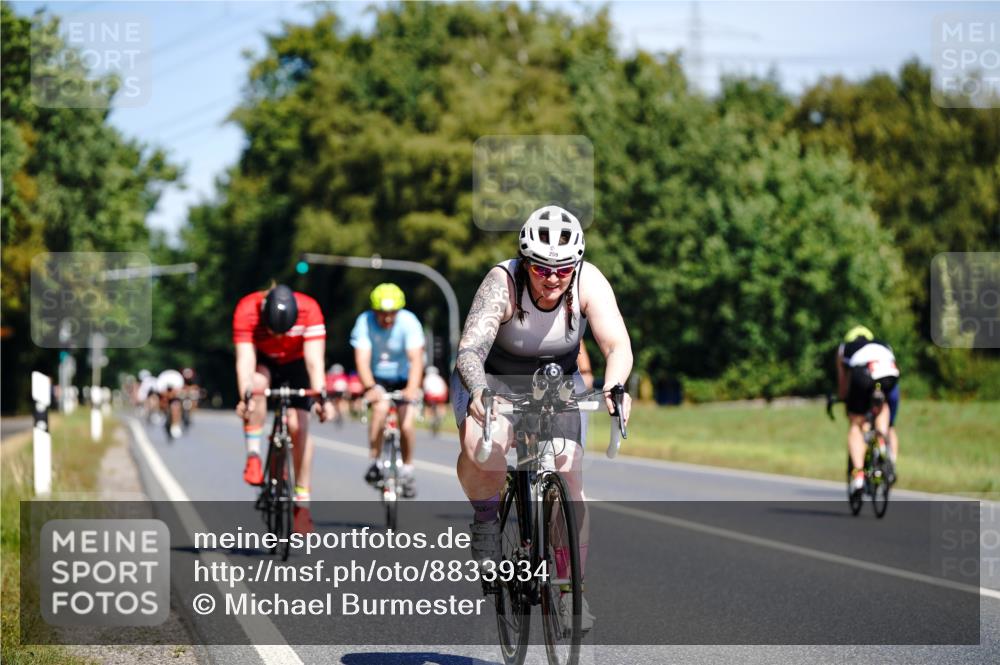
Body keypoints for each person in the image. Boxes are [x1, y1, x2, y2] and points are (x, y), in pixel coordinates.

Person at [453, 204, 633, 633]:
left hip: (556, 380)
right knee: (489, 450)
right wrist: (479, 391)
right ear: (524, 261)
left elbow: (616, 345)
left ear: (577, 264)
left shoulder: (589, 281)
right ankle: (486, 519)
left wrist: (614, 385)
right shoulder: (503, 282)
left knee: (569, 470)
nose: (552, 279)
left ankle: (571, 588)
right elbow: (469, 351)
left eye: (563, 269)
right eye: (540, 268)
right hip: (492, 377)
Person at [233, 284, 335, 534]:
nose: (278, 337)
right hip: (265, 363)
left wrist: (322, 398)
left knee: (298, 425)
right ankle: (254, 457)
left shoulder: (309, 309)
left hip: (296, 364)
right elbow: (245, 359)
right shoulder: (247, 309)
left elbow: (314, 361)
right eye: (272, 331)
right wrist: (245, 397)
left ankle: (302, 502)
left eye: (284, 332)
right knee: (255, 386)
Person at [351, 283, 425, 498]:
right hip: (377, 378)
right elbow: (362, 360)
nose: (388, 318)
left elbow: (416, 359)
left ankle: (408, 469)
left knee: (407, 423)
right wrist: (370, 388)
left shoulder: (409, 322)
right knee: (380, 410)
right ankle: (374, 461)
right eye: (383, 313)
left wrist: (412, 388)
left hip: (404, 377)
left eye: (392, 313)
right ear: (374, 311)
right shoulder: (364, 322)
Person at [836, 325, 900, 491]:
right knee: (882, 403)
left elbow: (844, 383)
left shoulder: (845, 348)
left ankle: (858, 476)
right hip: (888, 374)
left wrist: (844, 400)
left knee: (856, 424)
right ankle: (882, 442)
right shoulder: (883, 344)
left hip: (864, 374)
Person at [156, 368, 185, 438]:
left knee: (175, 408)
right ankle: (161, 415)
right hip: (165, 401)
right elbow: (161, 396)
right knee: (161, 403)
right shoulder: (162, 386)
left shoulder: (177, 384)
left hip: (174, 400)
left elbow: (180, 394)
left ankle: (175, 425)